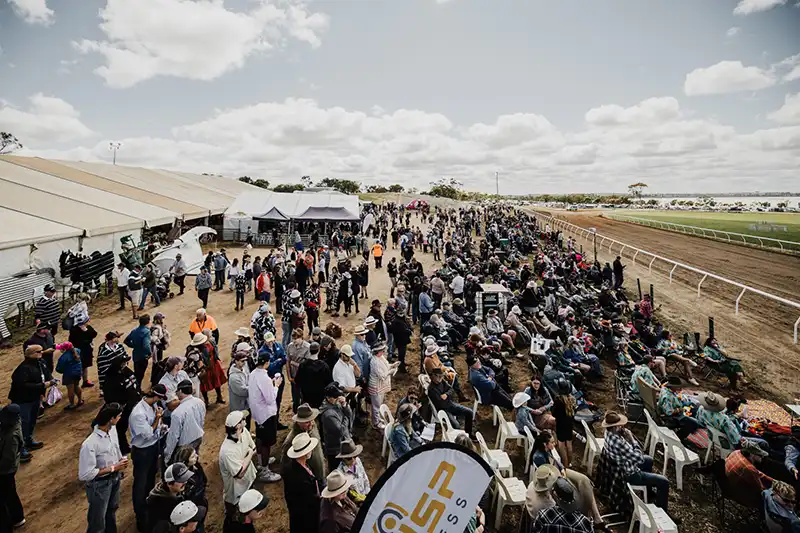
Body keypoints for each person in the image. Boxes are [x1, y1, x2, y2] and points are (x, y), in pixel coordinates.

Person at [530, 432, 606, 528]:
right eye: (552, 442)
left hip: (560, 471)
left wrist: (562, 469)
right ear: (545, 444)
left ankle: (597, 517)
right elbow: (547, 475)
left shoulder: (547, 449)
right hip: (554, 478)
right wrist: (561, 476)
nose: (555, 444)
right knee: (573, 491)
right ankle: (586, 516)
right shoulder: (539, 457)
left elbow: (557, 461)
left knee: (584, 480)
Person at [600, 411, 671, 512]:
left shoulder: (608, 433)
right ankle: (662, 511)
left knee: (649, 460)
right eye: (621, 425)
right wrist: (632, 440)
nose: (623, 427)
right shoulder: (619, 442)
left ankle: (649, 493)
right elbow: (639, 458)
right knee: (664, 481)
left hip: (620, 465)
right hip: (629, 474)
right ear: (616, 427)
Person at [78, 402, 127, 533]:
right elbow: (85, 474)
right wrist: (113, 468)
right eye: (119, 416)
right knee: (97, 522)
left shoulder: (112, 430)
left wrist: (120, 460)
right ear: (111, 419)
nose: (120, 418)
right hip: (99, 485)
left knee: (111, 511)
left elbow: (115, 447)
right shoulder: (89, 444)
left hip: (114, 479)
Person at [130, 385, 168, 532]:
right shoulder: (138, 413)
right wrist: (158, 419)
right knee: (140, 484)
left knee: (150, 478)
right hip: (142, 450)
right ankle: (140, 516)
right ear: (156, 396)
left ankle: (149, 507)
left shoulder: (152, 405)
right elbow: (147, 433)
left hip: (152, 447)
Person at [9, 345, 54, 460]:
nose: (41, 353)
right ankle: (21, 449)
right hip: (22, 400)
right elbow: (22, 385)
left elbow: (45, 375)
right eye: (38, 352)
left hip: (35, 398)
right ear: (30, 354)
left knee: (32, 421)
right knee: (23, 424)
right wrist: (42, 386)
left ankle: (29, 440)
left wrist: (43, 390)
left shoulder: (40, 363)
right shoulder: (23, 369)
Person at [219, 410, 259, 523]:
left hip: (249, 480)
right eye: (243, 419)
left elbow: (254, 448)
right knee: (236, 520)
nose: (245, 420)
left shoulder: (244, 431)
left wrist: (248, 456)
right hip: (235, 493)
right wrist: (249, 454)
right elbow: (239, 474)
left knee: (249, 514)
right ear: (237, 426)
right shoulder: (227, 451)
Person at [248, 355, 282, 483]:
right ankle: (265, 470)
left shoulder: (253, 374)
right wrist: (276, 385)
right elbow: (270, 399)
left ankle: (262, 462)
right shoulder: (264, 378)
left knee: (260, 437)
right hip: (266, 414)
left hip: (257, 414)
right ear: (267, 363)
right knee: (266, 443)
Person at [284, 432, 322, 533]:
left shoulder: (294, 466)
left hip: (299, 514)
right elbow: (309, 501)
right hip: (306, 517)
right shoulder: (300, 478)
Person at [103, 356, 141, 455]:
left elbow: (134, 384)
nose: (125, 364)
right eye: (123, 363)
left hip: (133, 404)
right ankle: (123, 447)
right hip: (122, 408)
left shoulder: (127, 371)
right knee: (120, 428)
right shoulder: (111, 378)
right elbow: (109, 396)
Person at [280, 403, 326, 481]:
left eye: (312, 420)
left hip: (320, 473)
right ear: (298, 422)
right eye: (307, 422)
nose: (311, 424)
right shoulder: (291, 440)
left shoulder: (312, 426)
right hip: (309, 479)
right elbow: (285, 465)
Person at [165, 380, 206, 463]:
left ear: (180, 391)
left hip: (184, 446)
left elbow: (173, 437)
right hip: (198, 437)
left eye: (177, 391)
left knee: (184, 467)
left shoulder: (177, 413)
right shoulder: (200, 402)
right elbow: (202, 420)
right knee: (194, 459)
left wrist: (167, 456)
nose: (176, 394)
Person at [146, 462, 193, 533]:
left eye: (185, 478)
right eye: (181, 480)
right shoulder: (160, 505)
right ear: (169, 484)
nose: (185, 482)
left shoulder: (178, 489)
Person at [725, 439, 772, 508]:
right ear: (752, 455)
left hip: (728, 483)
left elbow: (757, 473)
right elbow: (761, 489)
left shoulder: (736, 452)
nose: (762, 457)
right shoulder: (749, 468)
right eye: (760, 455)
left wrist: (773, 480)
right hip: (737, 493)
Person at [0, 404, 25, 530]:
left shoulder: (12, 436)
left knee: (5, 497)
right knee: (10, 494)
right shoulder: (12, 424)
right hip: (6, 469)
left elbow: (7, 460)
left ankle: (10, 523)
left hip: (5, 471)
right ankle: (17, 517)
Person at [428, 367, 474, 437]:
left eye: (441, 376)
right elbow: (441, 402)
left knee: (469, 412)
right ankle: (458, 441)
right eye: (439, 376)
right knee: (456, 425)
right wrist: (448, 395)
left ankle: (469, 434)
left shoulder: (442, 381)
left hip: (450, 404)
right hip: (443, 410)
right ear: (434, 376)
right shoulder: (431, 389)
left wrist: (446, 394)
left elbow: (451, 389)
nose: (441, 378)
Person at [319, 384, 353, 472]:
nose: (337, 398)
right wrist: (346, 417)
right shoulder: (328, 414)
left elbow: (350, 414)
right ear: (327, 397)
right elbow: (340, 431)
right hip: (335, 449)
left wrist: (345, 405)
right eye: (334, 397)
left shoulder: (337, 402)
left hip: (343, 442)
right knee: (336, 471)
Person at [172, 446, 208, 530]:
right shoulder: (180, 480)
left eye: (195, 454)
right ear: (186, 461)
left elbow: (204, 480)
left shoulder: (197, 466)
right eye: (193, 456)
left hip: (200, 501)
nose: (197, 456)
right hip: (190, 510)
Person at [368, 343, 399, 429]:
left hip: (380, 385)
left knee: (380, 403)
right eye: (382, 350)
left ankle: (377, 419)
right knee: (376, 405)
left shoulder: (381, 358)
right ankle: (376, 423)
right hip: (375, 386)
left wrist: (393, 365)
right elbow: (382, 375)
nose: (384, 352)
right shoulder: (374, 361)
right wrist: (391, 372)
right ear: (378, 352)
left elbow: (386, 366)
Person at [295, 342, 333, 409]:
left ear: (309, 350)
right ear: (319, 350)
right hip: (320, 398)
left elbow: (297, 380)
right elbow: (329, 382)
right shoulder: (324, 366)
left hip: (306, 397)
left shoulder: (303, 365)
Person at [551, 378, 577, 468]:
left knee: (562, 446)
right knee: (569, 445)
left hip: (560, 425)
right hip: (569, 425)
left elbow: (554, 414)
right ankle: (570, 462)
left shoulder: (558, 400)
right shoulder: (572, 399)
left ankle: (565, 467)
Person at [69, 318, 98, 389]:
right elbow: (71, 341)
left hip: (86, 349)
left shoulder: (87, 328)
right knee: (79, 367)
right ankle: (76, 385)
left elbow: (94, 334)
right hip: (78, 350)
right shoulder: (74, 330)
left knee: (85, 366)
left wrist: (86, 330)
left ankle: (85, 381)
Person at [286, 329, 311, 413]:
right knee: (295, 399)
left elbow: (308, 365)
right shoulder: (290, 346)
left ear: (301, 338)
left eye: (295, 339)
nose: (294, 341)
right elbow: (287, 362)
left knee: (304, 398)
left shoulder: (307, 348)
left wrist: (295, 363)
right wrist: (289, 377)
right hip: (294, 378)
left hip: (304, 378)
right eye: (293, 339)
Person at [125, 315, 152, 388]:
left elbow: (126, 340)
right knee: (140, 375)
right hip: (143, 356)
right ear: (148, 322)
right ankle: (137, 389)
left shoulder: (135, 330)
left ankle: (136, 388)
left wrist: (133, 345)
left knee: (137, 373)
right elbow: (146, 345)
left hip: (136, 355)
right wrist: (150, 353)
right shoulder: (146, 332)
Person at [56, 341, 84, 410]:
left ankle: (72, 404)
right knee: (76, 386)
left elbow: (59, 369)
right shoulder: (77, 350)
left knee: (70, 389)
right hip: (77, 373)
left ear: (64, 349)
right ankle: (80, 400)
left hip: (68, 375)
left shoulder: (63, 357)